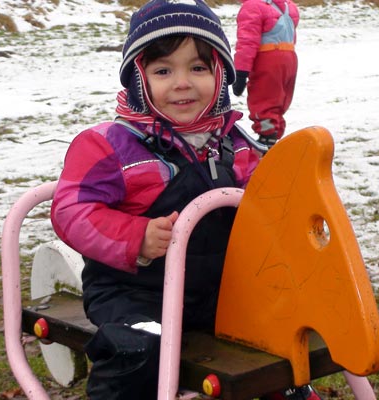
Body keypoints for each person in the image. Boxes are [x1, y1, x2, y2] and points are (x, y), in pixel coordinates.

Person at [50, 0, 260, 398]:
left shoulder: (235, 145)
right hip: (133, 293)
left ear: (221, 75)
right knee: (138, 346)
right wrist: (135, 236)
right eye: (163, 71)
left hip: (219, 290)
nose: (182, 83)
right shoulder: (110, 146)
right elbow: (70, 210)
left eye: (198, 68)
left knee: (281, 327)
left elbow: (275, 202)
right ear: (137, 80)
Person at [231, 0, 300, 148]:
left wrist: (241, 72)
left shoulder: (253, 7)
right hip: (290, 57)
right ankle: (274, 133)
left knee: (263, 98)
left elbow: (247, 42)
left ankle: (266, 137)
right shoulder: (289, 7)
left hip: (268, 59)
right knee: (279, 99)